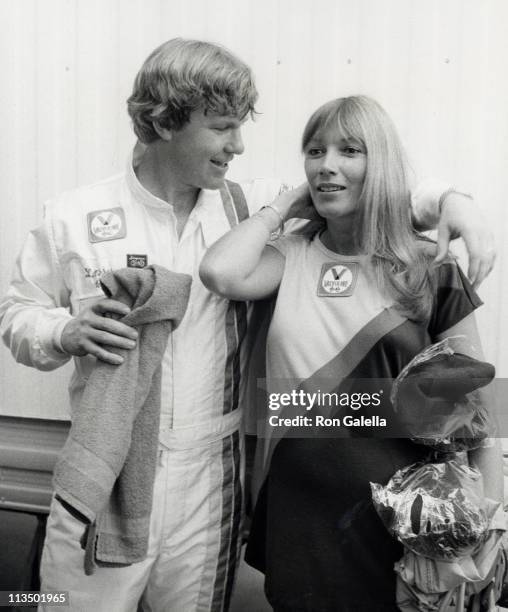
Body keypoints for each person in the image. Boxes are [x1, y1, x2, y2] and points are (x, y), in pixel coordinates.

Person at [0, 37, 495, 611]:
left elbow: (369, 191)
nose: (238, 145)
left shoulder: (255, 208)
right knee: (62, 607)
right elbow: (17, 315)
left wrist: (456, 201)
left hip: (212, 477)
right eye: (222, 127)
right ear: (165, 123)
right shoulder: (73, 215)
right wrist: (62, 332)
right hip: (104, 472)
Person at [199, 95, 504, 611]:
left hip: (404, 515)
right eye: (315, 151)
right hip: (300, 510)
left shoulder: (429, 265)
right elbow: (220, 273)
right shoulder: (289, 254)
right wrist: (288, 206)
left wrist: (486, 524)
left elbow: (476, 411)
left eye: (350, 150)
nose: (327, 165)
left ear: (379, 163)